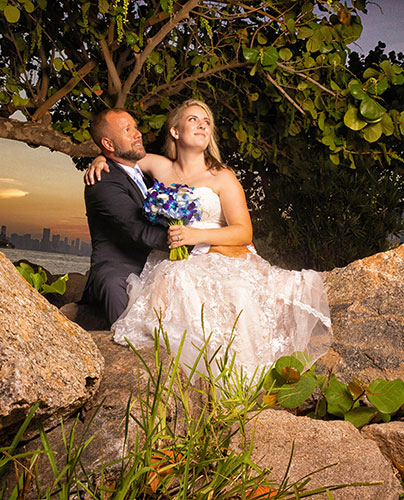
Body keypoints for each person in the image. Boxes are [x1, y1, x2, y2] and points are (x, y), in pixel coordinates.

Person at [85, 99, 332, 376]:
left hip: (216, 252)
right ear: (175, 132)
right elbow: (122, 157)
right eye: (193, 119)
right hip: (174, 258)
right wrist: (100, 158)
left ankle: (238, 377)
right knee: (169, 286)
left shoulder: (222, 177)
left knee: (232, 293)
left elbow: (244, 231)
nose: (202, 124)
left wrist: (195, 236)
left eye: (206, 122)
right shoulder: (159, 166)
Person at [81, 108, 169, 325]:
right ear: (109, 145)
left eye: (135, 127)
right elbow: (139, 230)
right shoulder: (102, 181)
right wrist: (192, 241)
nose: (137, 133)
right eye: (127, 130)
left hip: (157, 263)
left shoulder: (148, 176)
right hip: (121, 270)